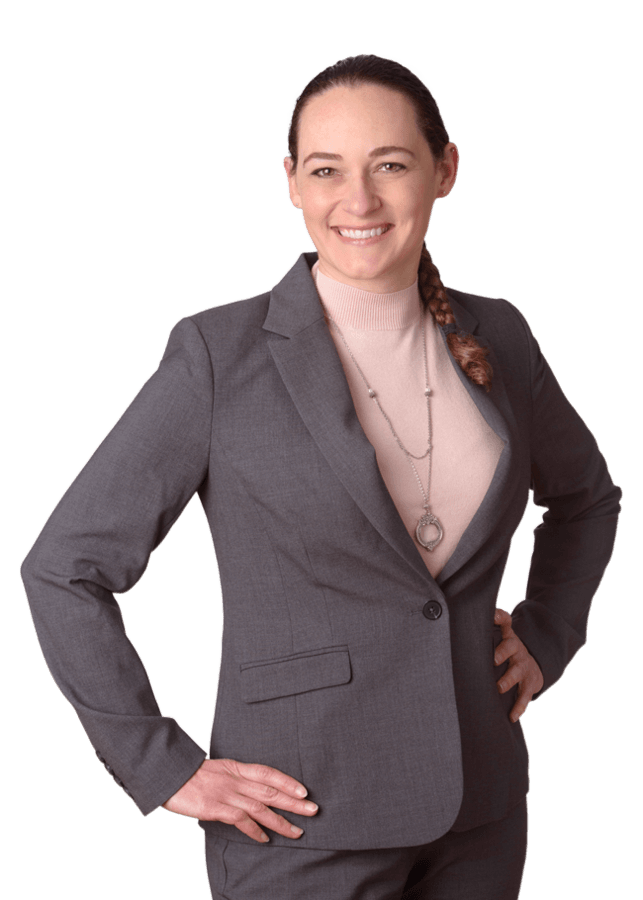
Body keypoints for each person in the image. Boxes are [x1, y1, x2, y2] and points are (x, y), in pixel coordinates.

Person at [20, 53, 621, 900]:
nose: (358, 200)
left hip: (479, 812)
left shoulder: (502, 336)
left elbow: (586, 499)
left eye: (391, 165)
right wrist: (161, 765)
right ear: (291, 182)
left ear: (445, 170)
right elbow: (63, 569)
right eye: (327, 170)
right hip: (298, 820)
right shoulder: (217, 355)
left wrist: (548, 632)